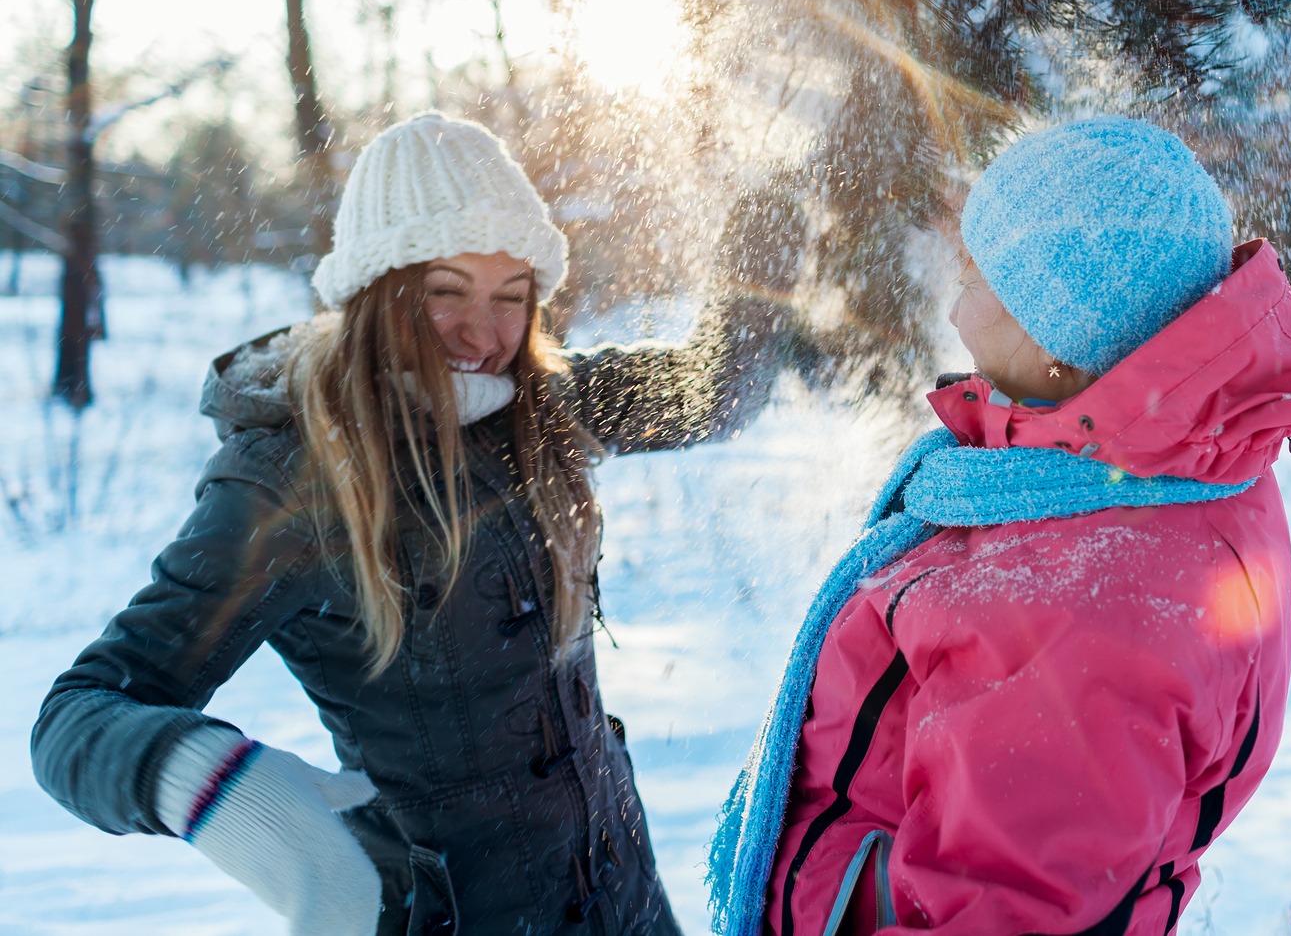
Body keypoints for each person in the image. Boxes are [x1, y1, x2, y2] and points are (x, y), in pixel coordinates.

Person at [32, 113, 799, 936]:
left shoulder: (540, 404)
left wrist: (777, 200)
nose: (485, 333)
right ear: (378, 292)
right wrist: (222, 788)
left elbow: (711, 388)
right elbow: (78, 714)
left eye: (512, 299)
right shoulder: (296, 477)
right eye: (447, 294)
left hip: (625, 901)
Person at [708, 117, 1291, 936]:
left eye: (976, 278)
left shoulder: (1091, 602)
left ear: (1059, 334)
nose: (955, 308)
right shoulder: (1123, 472)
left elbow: (1007, 913)